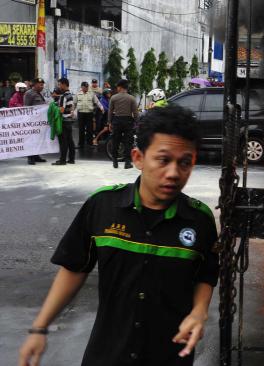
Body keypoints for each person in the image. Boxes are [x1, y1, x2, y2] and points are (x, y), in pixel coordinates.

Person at [18, 106, 218, 366]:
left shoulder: (199, 219)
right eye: (163, 159)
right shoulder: (102, 206)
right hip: (107, 354)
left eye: (185, 162)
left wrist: (200, 311)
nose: (173, 173)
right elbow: (74, 268)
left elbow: (206, 274)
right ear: (138, 158)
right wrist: (40, 327)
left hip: (170, 356)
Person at [108, 79, 138, 169]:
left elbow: (110, 111)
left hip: (116, 121)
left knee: (115, 141)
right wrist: (137, 122)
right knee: (128, 142)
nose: (117, 88)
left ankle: (115, 161)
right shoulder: (132, 98)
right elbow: (135, 112)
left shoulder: (113, 98)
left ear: (120, 87)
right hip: (128, 121)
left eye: (117, 87)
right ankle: (127, 163)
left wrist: (109, 122)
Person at [24, 78, 48, 165]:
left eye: (42, 85)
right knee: (31, 139)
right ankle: (30, 157)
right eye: (40, 84)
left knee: (38, 139)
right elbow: (26, 108)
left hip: (39, 121)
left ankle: (36, 155)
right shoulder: (29, 93)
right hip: (32, 121)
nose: (42, 86)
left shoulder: (39, 94)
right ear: (34, 84)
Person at [52, 78, 76, 165]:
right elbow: (70, 108)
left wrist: (55, 107)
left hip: (64, 121)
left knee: (63, 141)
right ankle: (71, 159)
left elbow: (61, 110)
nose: (59, 86)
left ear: (64, 84)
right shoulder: (70, 95)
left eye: (59, 84)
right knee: (70, 140)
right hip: (69, 121)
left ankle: (62, 160)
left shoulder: (63, 96)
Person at [74, 81, 103, 149]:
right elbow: (74, 103)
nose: (86, 88)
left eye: (87, 87)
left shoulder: (91, 94)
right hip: (81, 113)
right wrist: (72, 111)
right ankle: (81, 144)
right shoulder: (78, 94)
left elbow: (97, 101)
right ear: (82, 87)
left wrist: (101, 107)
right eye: (85, 87)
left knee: (89, 129)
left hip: (89, 113)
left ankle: (89, 143)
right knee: (81, 129)